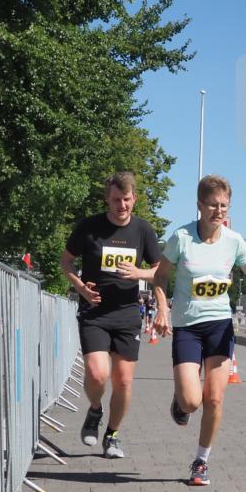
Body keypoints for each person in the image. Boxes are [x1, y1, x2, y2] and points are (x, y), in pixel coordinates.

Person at [152, 175, 246, 486]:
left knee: (214, 399)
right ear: (200, 205)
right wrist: (162, 308)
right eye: (213, 205)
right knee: (192, 401)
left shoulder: (234, 241)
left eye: (224, 206)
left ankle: (201, 461)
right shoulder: (182, 238)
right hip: (187, 327)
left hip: (220, 326)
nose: (219, 211)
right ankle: (181, 400)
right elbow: (160, 277)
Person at [61, 172, 161, 459]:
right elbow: (66, 261)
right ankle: (95, 410)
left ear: (134, 199)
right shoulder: (90, 227)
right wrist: (80, 287)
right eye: (116, 200)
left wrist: (140, 273)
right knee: (97, 373)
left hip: (127, 313)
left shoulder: (143, 230)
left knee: (124, 381)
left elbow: (160, 270)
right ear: (107, 199)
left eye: (126, 199)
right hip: (94, 311)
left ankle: (112, 435)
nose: (122, 206)